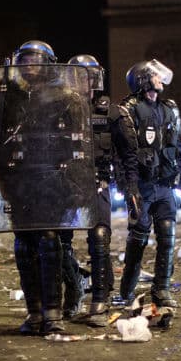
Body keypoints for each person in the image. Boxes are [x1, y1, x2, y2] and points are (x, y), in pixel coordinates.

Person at [0, 40, 91, 334]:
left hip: (52, 180)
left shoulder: (65, 96)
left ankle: (53, 314)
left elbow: (79, 142)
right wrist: (4, 87)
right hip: (19, 181)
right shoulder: (10, 97)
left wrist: (76, 183)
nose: (29, 65)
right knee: (24, 245)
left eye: (35, 60)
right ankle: (34, 312)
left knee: (49, 242)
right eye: (24, 60)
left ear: (48, 63)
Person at [112, 58, 181, 315]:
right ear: (144, 79)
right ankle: (126, 291)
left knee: (168, 235)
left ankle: (162, 289)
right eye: (155, 75)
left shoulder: (169, 109)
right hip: (142, 186)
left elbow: (176, 148)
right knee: (139, 237)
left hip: (165, 185)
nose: (161, 79)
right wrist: (130, 189)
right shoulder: (129, 109)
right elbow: (124, 155)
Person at [68, 54, 115, 327]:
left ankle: (100, 297)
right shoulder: (57, 109)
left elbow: (128, 151)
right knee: (55, 243)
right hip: (65, 184)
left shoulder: (108, 111)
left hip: (98, 183)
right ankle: (73, 286)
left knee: (99, 236)